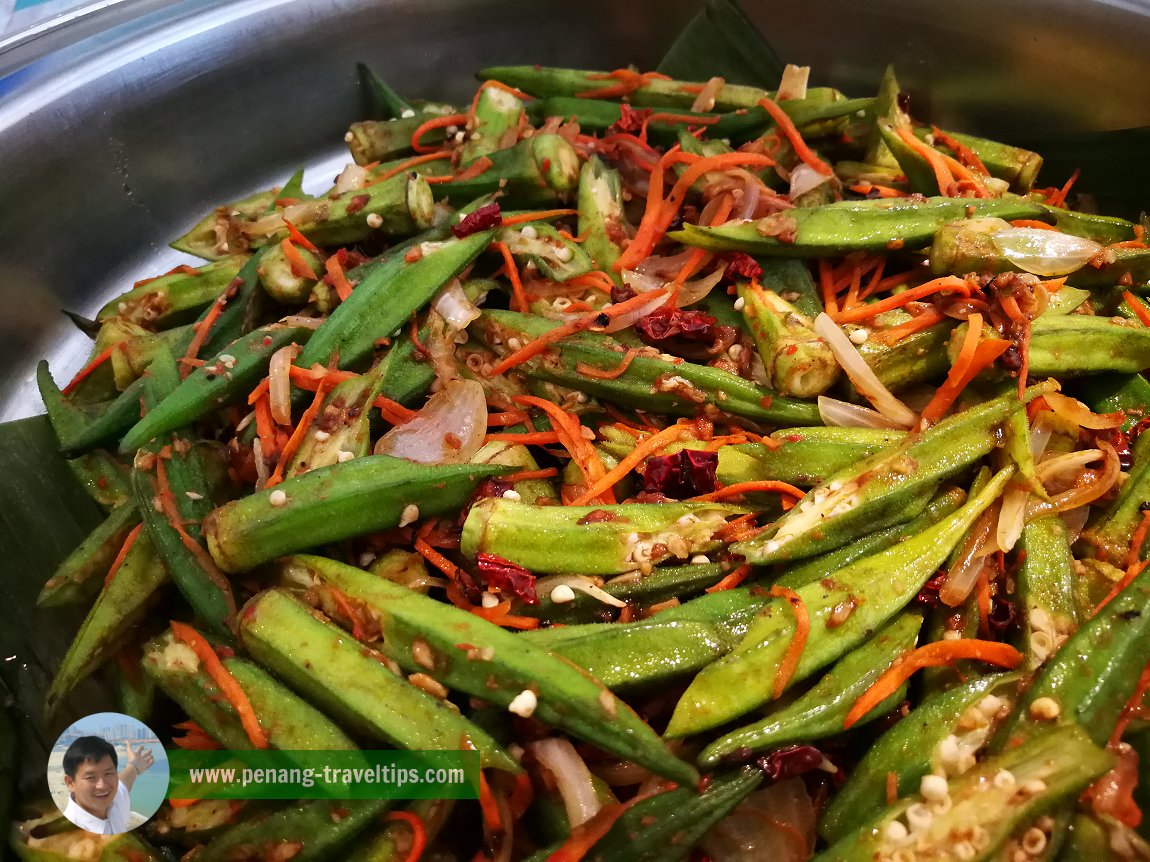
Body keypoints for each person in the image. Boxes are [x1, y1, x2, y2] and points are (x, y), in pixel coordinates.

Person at [60, 736, 155, 834]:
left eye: (108, 774)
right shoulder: (69, 833)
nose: (102, 785)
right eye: (91, 777)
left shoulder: (115, 802)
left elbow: (124, 781)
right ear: (70, 783)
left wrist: (134, 765)